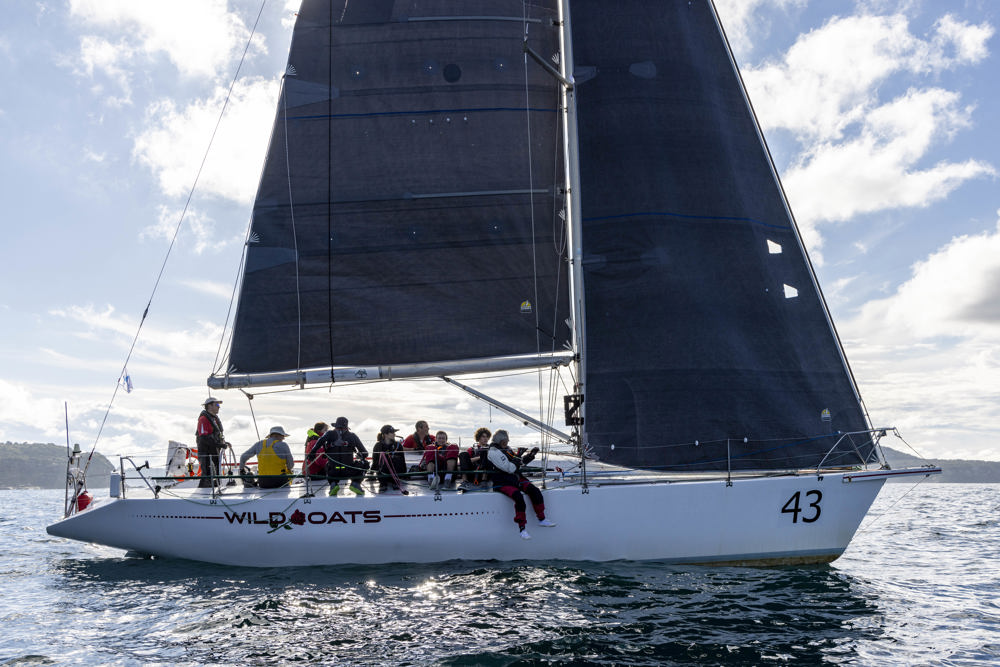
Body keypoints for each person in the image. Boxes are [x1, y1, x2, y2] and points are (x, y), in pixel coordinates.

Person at [483, 430, 554, 539]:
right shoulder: (493, 452)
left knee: (534, 490)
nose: (507, 442)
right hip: (502, 482)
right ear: (500, 441)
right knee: (518, 497)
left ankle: (542, 519)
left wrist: (530, 455)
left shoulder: (506, 449)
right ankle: (522, 529)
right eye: (505, 441)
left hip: (515, 479)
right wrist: (518, 455)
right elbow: (510, 468)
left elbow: (518, 464)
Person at [195, 396, 228, 489]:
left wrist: (223, 442)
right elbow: (203, 438)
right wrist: (219, 444)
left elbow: (216, 435)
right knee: (206, 474)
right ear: (209, 406)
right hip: (206, 452)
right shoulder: (203, 419)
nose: (219, 407)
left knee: (216, 471)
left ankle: (215, 488)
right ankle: (203, 493)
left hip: (214, 450)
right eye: (217, 404)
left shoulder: (214, 419)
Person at [372, 424, 407, 493]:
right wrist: (371, 472)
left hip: (396, 473)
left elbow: (402, 460)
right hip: (383, 474)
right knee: (383, 460)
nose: (394, 434)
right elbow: (375, 461)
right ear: (385, 434)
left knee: (396, 459)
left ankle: (395, 481)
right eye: (392, 432)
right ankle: (383, 484)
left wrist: (404, 474)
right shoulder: (378, 446)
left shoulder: (398, 445)